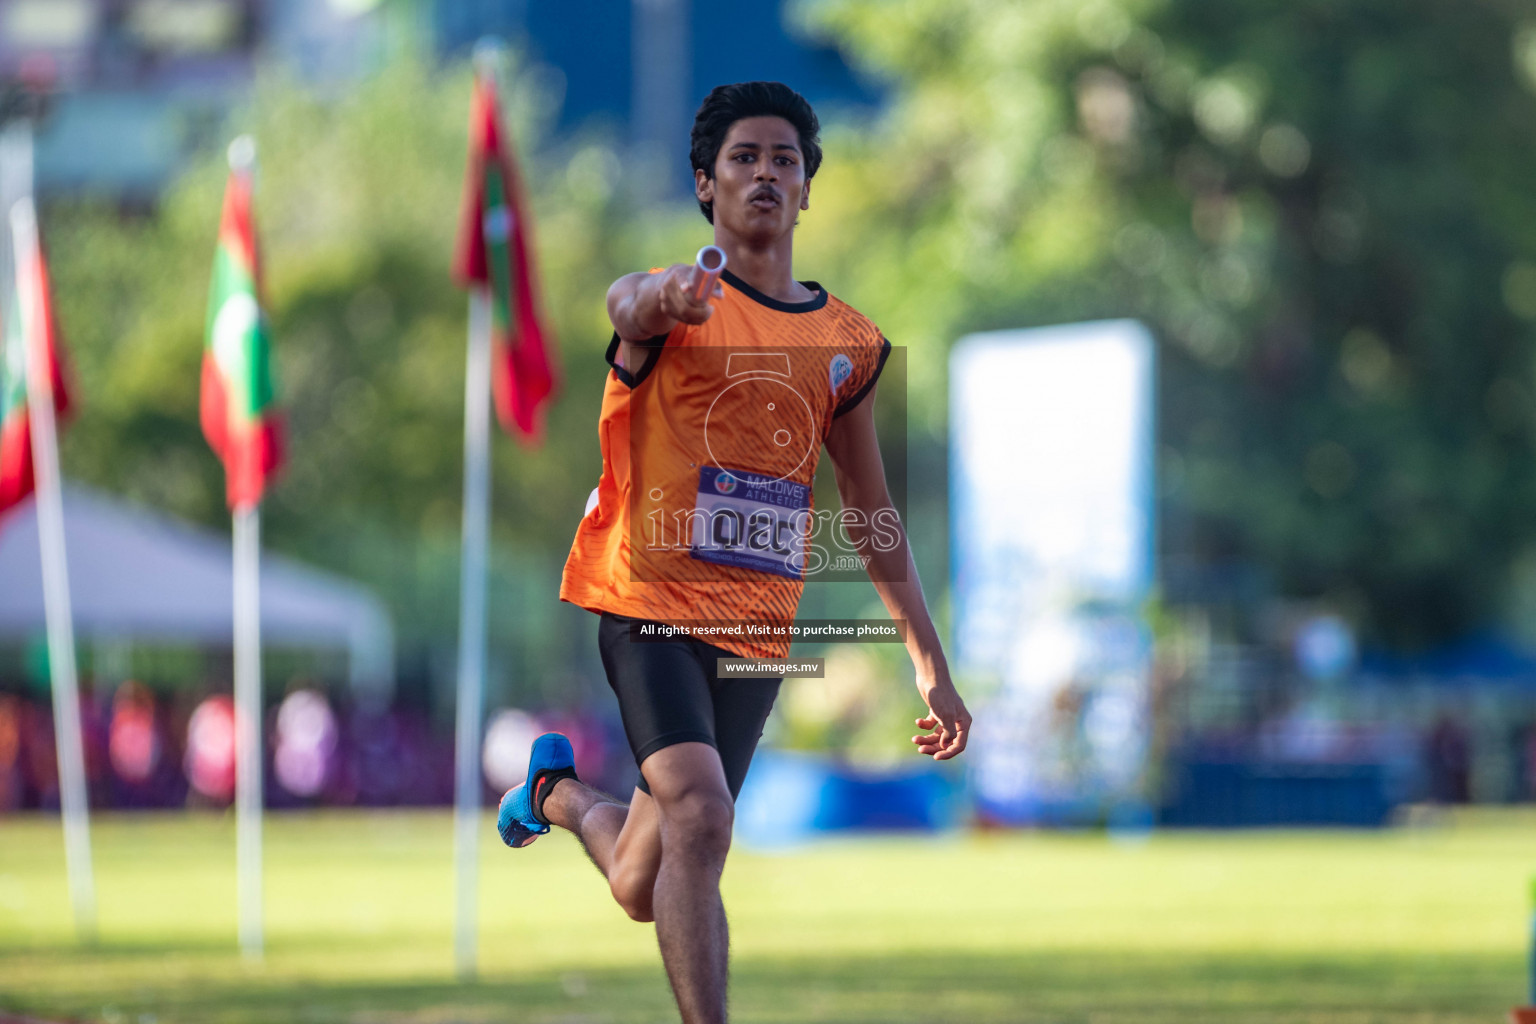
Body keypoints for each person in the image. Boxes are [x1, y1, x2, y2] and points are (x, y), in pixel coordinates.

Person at [497, 81, 971, 1024]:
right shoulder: (676, 302)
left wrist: (932, 665)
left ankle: (552, 794)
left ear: (806, 191)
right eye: (744, 158)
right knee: (703, 817)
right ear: (707, 186)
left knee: (646, 879)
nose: (766, 172)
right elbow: (626, 302)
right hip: (648, 609)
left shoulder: (850, 346)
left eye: (785, 159)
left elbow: (871, 510)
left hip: (755, 631)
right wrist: (670, 294)